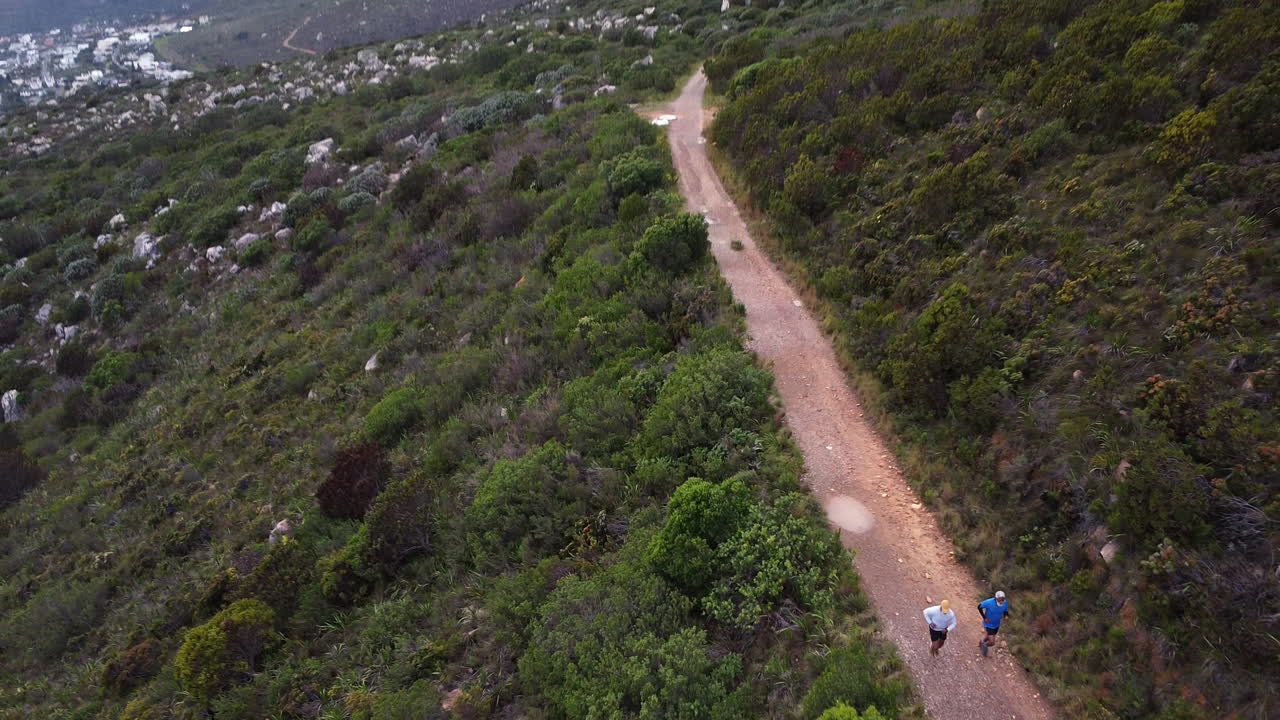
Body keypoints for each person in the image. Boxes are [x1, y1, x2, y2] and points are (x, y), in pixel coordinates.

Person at [977, 590, 1011, 657]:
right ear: (996, 598)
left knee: (987, 636)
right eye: (1000, 599)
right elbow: (979, 606)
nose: (1001, 601)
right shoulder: (989, 602)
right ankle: (985, 646)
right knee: (992, 642)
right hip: (988, 624)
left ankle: (981, 643)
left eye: (1003, 599)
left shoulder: (1005, 603)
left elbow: (1005, 611)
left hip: (996, 624)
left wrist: (1006, 616)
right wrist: (984, 617)